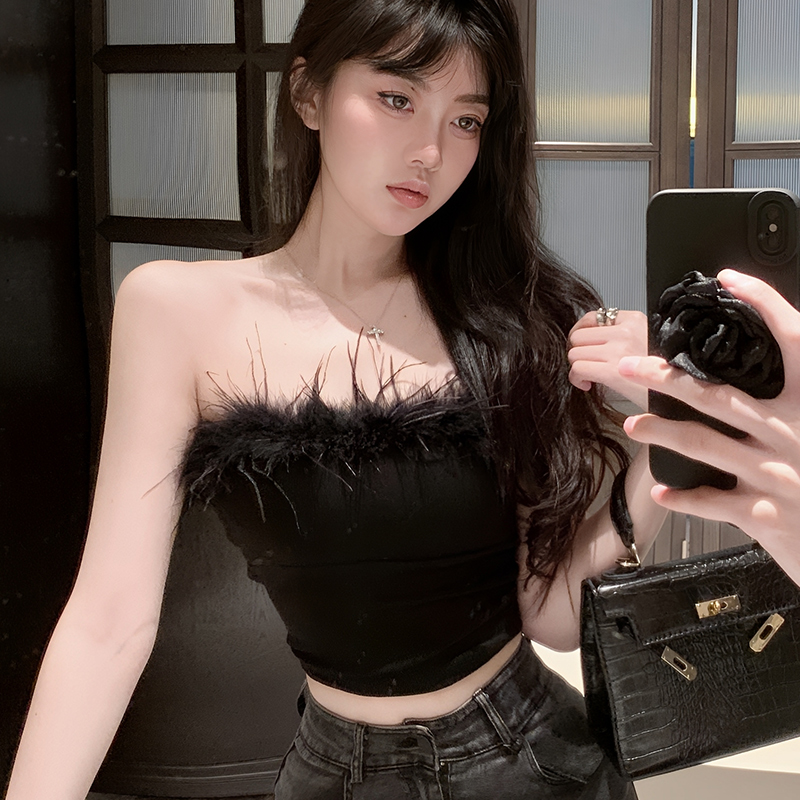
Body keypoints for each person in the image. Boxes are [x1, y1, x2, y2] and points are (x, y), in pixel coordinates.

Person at [6, 1, 800, 798]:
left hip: (530, 760)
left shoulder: (506, 322)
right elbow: (108, 622)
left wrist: (667, 424)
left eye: (466, 121)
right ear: (308, 93)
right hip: (329, 771)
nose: (429, 152)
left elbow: (551, 615)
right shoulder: (175, 311)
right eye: (396, 98)